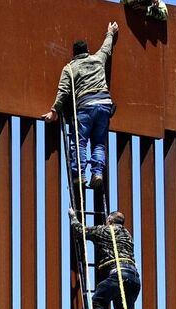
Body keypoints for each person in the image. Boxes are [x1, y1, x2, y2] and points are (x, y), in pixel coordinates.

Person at [42, 22, 119, 189]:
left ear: (73, 53)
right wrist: (110, 33)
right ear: (87, 51)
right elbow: (106, 48)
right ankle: (97, 173)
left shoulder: (70, 68)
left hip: (86, 106)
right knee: (98, 142)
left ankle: (80, 176)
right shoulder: (98, 59)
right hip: (105, 104)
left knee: (80, 142)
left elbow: (63, 91)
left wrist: (54, 111)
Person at [72, 209, 139, 309]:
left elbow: (79, 231)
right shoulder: (128, 235)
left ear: (109, 220)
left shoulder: (104, 230)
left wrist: (73, 217)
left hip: (118, 275)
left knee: (96, 301)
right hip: (134, 279)